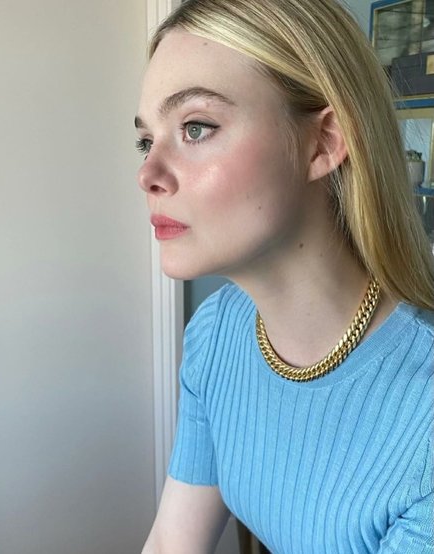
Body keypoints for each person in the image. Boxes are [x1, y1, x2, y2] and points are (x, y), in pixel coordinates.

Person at [135, 0, 434, 552]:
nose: (147, 173)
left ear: (324, 142)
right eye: (146, 140)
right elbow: (173, 541)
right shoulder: (216, 332)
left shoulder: (424, 420)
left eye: (195, 128)